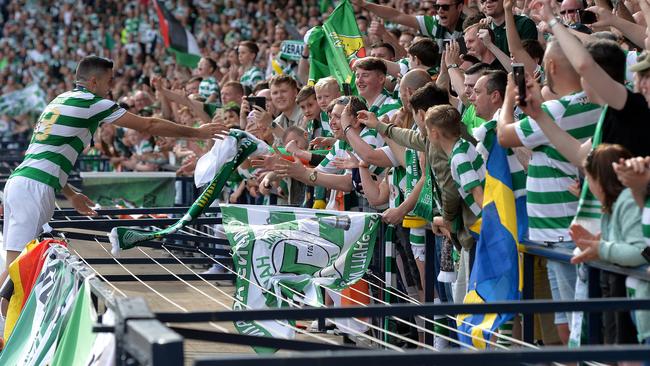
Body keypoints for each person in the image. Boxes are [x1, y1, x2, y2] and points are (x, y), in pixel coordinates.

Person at [1, 55, 227, 286]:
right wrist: (198, 132)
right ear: (94, 81)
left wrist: (70, 194)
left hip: (23, 181)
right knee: (18, 270)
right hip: (33, 187)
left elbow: (49, 156)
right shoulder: (91, 103)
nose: (111, 88)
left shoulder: (60, 99)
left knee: (16, 267)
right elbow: (148, 125)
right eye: (109, 81)